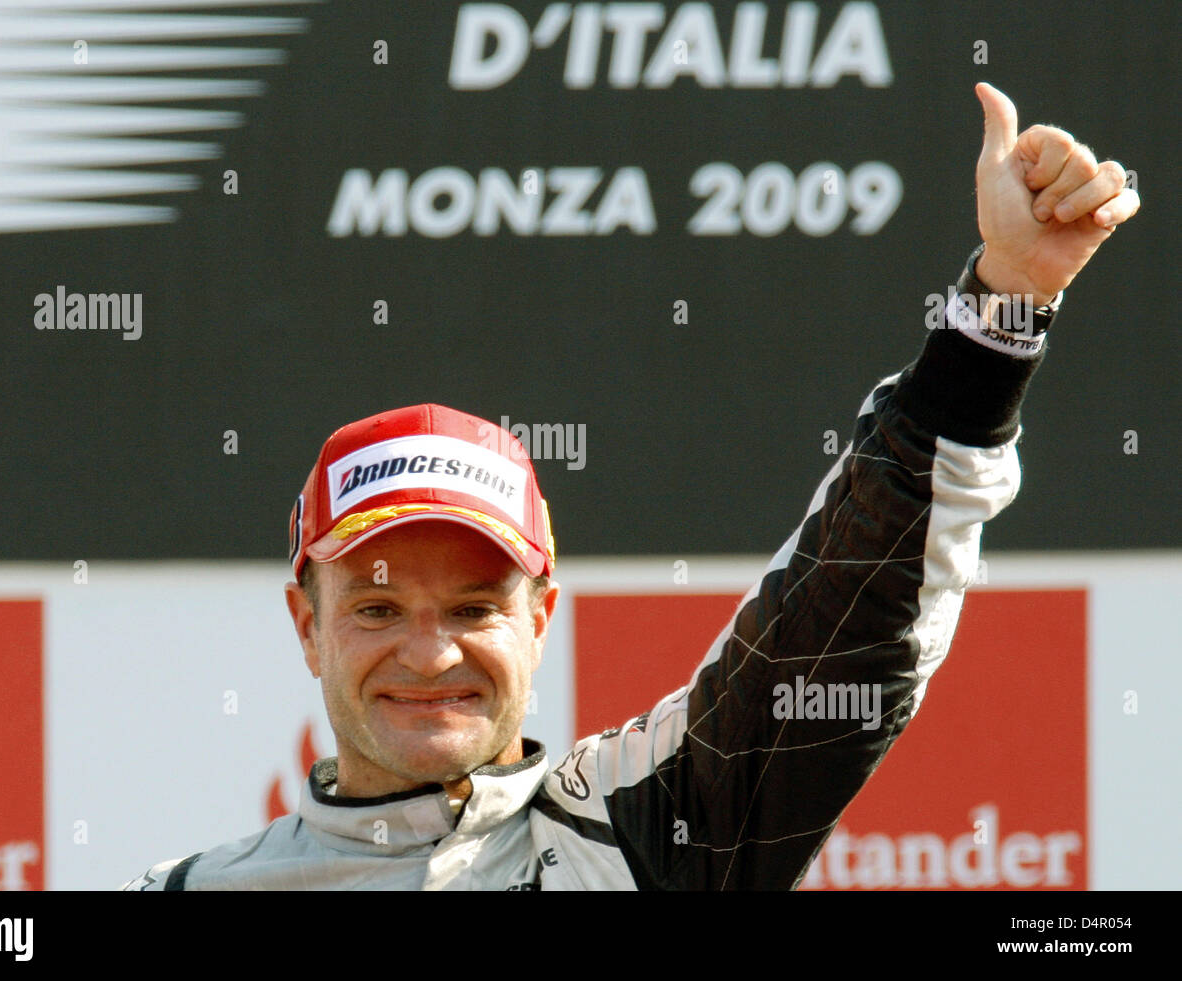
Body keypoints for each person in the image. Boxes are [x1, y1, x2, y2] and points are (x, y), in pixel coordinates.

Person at [123, 84, 1138, 890]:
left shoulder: (641, 831)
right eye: (379, 606)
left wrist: (1004, 301)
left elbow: (840, 613)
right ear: (307, 626)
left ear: (541, 617)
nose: (429, 653)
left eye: (476, 605)